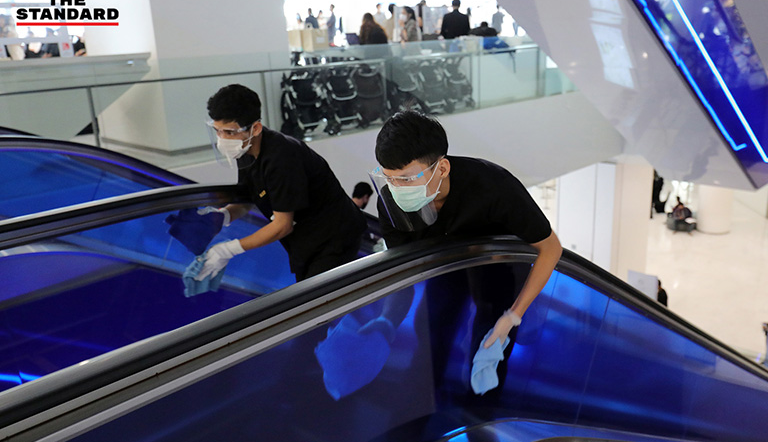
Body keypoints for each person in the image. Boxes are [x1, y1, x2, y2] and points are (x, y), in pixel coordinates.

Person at [369, 110, 562, 400]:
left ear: (442, 168)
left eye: (407, 179)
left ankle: (482, 411)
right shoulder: (391, 202)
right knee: (432, 331)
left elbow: (550, 248)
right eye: (389, 178)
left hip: (497, 268)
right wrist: (386, 320)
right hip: (443, 267)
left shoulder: (494, 186)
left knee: (489, 343)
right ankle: (423, 405)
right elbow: (402, 270)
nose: (397, 189)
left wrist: (514, 316)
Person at [199, 84, 364, 283]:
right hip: (304, 240)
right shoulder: (245, 149)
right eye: (217, 131)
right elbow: (249, 197)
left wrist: (228, 250)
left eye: (229, 132)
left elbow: (282, 225)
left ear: (255, 128)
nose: (222, 139)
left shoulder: (282, 157)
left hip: (333, 238)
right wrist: (223, 215)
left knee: (317, 299)